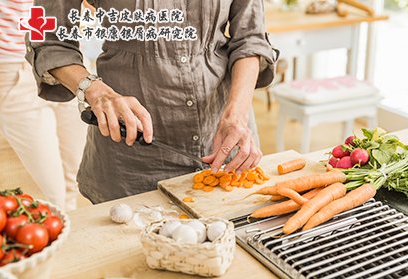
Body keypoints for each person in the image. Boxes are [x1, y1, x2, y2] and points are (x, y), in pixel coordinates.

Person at [26, 0, 278, 204]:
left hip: (226, 145)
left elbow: (250, 38)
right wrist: (96, 91)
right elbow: (48, 40)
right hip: (132, 160)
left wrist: (236, 115)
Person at [0, 0, 87, 210]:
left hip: (66, 62)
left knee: (76, 178)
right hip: (13, 65)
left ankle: (70, 236)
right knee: (53, 193)